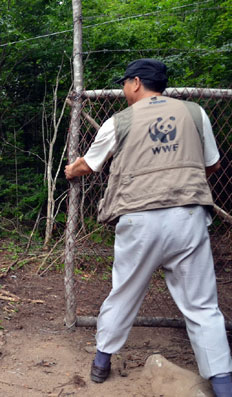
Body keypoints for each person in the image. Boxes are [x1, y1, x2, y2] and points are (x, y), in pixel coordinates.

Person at [65, 59, 232, 396]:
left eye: (125, 83)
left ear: (137, 83)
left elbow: (90, 164)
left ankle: (101, 363)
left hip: (138, 219)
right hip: (188, 217)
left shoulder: (120, 120)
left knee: (124, 290)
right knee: (201, 304)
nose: (125, 89)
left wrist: (71, 171)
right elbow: (212, 164)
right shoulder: (195, 113)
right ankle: (224, 383)